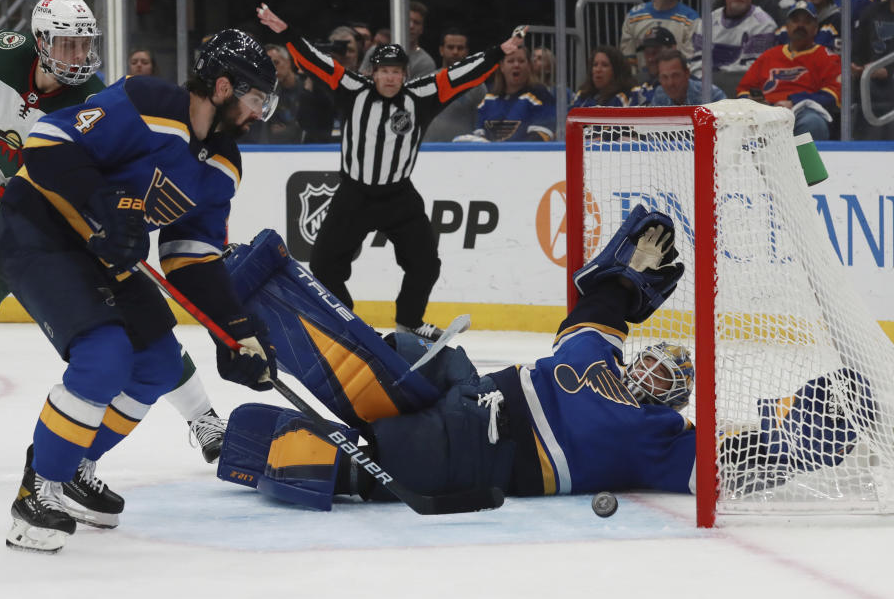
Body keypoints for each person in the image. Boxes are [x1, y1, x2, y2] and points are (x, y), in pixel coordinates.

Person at [217, 206, 871, 509]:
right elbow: (598, 314)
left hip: (481, 450)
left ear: (672, 398)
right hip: (462, 395)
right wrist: (622, 281)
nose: (651, 370)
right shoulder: (595, 361)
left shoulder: (658, 438)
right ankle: (256, 302)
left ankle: (261, 437)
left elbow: (742, 461)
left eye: (668, 375)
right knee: (407, 356)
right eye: (653, 359)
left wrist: (822, 415)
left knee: (335, 453)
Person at [0, 27, 280, 553]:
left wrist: (236, 331)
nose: (259, 112)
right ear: (223, 87)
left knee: (157, 364)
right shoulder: (148, 102)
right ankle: (37, 490)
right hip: (41, 229)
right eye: (255, 97)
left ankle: (76, 465)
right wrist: (104, 201)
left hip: (106, 254)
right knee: (103, 356)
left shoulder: (222, 166)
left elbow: (190, 255)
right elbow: (47, 143)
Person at [0, 0, 230, 466]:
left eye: (84, 44)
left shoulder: (94, 99)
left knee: (140, 328)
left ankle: (202, 415)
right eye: (67, 44)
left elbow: (77, 183)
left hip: (63, 232)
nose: (78, 56)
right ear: (40, 41)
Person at [257, 3, 524, 340]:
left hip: (399, 196)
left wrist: (500, 51)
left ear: (405, 74)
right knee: (325, 266)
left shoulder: (423, 95)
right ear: (373, 73)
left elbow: (464, 74)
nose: (391, 77)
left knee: (425, 263)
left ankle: (409, 321)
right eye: (384, 71)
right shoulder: (351, 90)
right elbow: (314, 60)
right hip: (354, 193)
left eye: (397, 71)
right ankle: (348, 325)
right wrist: (286, 33)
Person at [737, 0, 841, 140]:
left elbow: (832, 96)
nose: (800, 25)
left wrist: (794, 101)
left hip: (801, 113)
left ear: (815, 28)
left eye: (806, 22)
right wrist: (752, 101)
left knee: (813, 124)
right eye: (795, 21)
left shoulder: (828, 57)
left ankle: (803, 162)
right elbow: (743, 90)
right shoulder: (769, 56)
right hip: (765, 114)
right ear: (787, 26)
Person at [691, 0, 777, 76]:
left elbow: (750, 70)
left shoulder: (764, 25)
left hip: (743, 88)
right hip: (705, 86)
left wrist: (715, 77)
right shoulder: (707, 21)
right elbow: (696, 62)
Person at [620, 0, 700, 71]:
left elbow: (689, 64)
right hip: (641, 82)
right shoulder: (634, 16)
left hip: (674, 81)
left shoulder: (692, 19)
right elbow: (628, 60)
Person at [467, 46, 556, 142]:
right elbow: (479, 134)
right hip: (492, 156)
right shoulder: (489, 99)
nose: (516, 65)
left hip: (525, 156)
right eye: (510, 61)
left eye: (521, 61)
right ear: (502, 67)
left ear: (529, 66)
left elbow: (541, 135)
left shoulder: (541, 95)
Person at [422, 28, 488, 142]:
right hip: (429, 152)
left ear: (467, 51)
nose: (455, 52)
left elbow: (484, 123)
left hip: (463, 152)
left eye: (460, 48)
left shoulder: (477, 86)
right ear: (441, 50)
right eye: (450, 47)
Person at [853, 0, 894, 139]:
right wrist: (856, 67)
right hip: (873, 88)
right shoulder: (872, 13)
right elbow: (858, 52)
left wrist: (888, 71)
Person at [360, 1, 437, 78]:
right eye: (407, 20)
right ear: (398, 22)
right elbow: (361, 81)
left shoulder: (425, 62)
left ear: (422, 29)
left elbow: (417, 89)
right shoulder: (375, 51)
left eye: (416, 23)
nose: (411, 26)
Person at [650, 49, 726, 105]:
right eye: (664, 77)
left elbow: (728, 124)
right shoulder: (659, 95)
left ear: (687, 73)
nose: (670, 83)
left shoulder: (712, 95)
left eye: (675, 75)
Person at [570, 46, 634, 108]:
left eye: (605, 65)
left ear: (616, 70)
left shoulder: (621, 99)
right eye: (595, 65)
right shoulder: (582, 97)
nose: (598, 70)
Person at [628, 26, 677, 105]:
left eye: (656, 52)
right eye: (647, 53)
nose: (651, 59)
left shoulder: (686, 84)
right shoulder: (636, 84)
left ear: (672, 49)